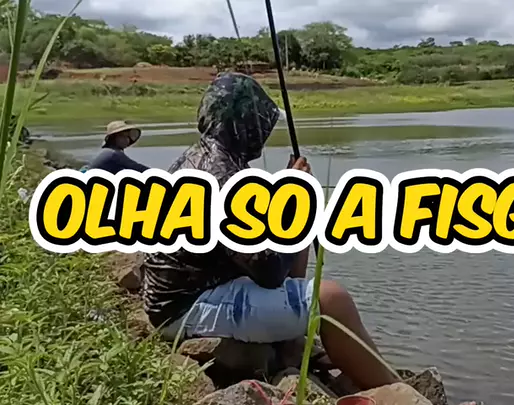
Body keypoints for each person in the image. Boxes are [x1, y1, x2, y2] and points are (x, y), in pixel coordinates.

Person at [141, 72, 399, 390]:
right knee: (332, 299)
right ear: (245, 124)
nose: (263, 135)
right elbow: (271, 272)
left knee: (305, 285)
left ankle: (330, 357)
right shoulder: (222, 175)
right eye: (261, 125)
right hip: (183, 308)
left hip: (183, 294)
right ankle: (394, 391)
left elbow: (269, 254)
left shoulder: (205, 158)